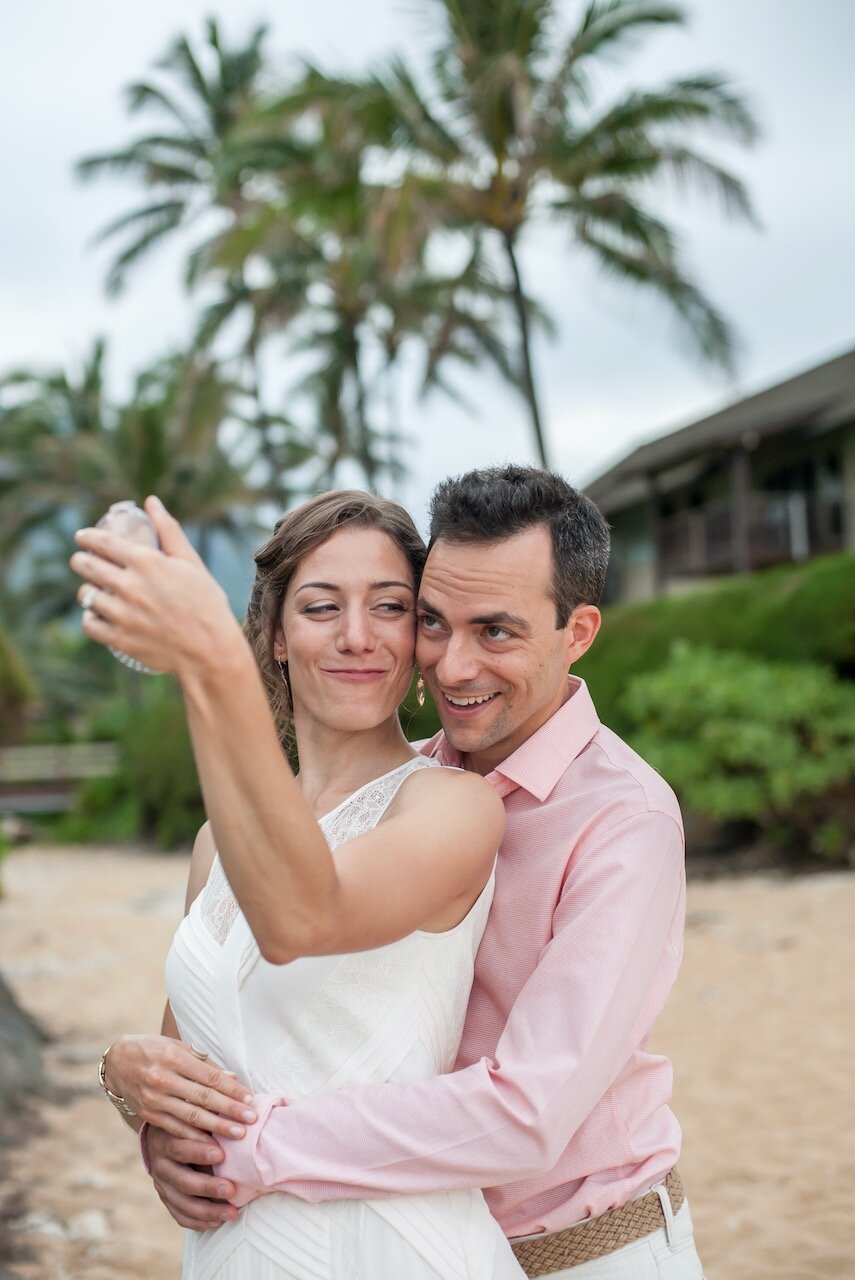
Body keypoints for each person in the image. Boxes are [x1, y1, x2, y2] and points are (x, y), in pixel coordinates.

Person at [73, 465, 705, 1278]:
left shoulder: (622, 818)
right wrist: (137, 1090)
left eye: (497, 632)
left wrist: (253, 1146)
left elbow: (524, 1114)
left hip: (586, 1248)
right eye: (435, 623)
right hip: (342, 1221)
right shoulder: (399, 783)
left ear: (576, 632)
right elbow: (228, 1038)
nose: (453, 666)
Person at [73, 489, 526, 1280]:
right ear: (276, 638)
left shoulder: (453, 807)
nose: (357, 637)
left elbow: (303, 916)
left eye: (390, 607)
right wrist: (128, 1081)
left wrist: (210, 663)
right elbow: (199, 1069)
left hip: (390, 1249)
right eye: (321, 608)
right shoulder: (216, 849)